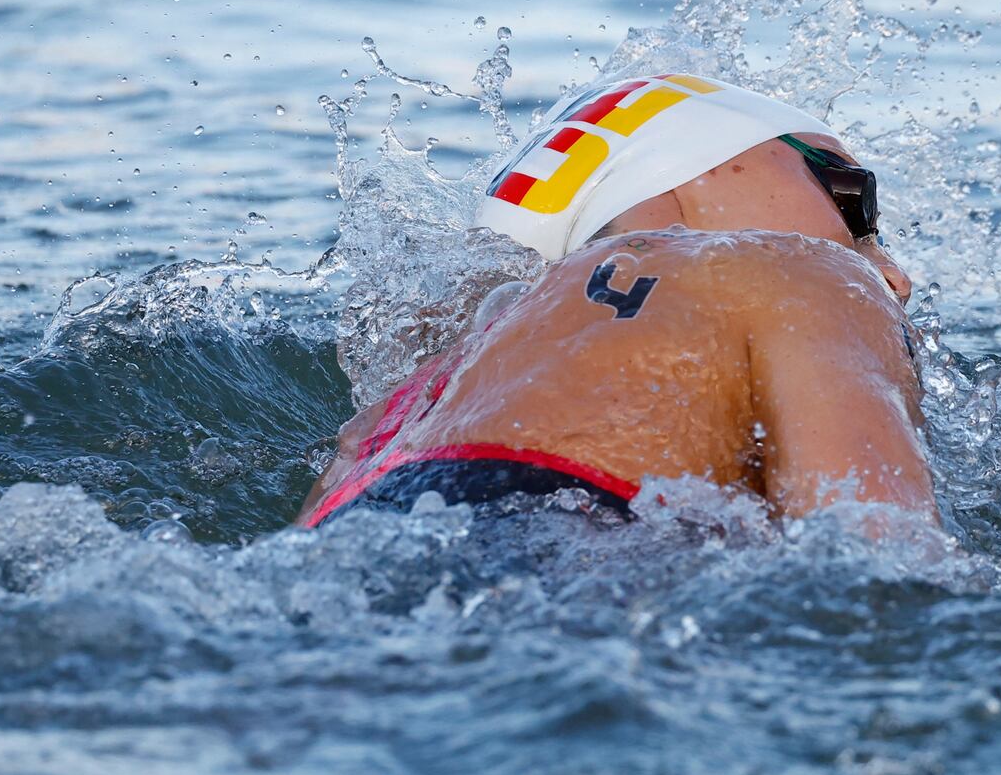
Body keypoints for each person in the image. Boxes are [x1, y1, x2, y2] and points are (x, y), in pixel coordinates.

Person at [297, 73, 935, 530]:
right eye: (852, 196)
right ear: (693, 177)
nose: (891, 272)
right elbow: (884, 571)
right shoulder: (798, 273)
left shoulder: (411, 397)